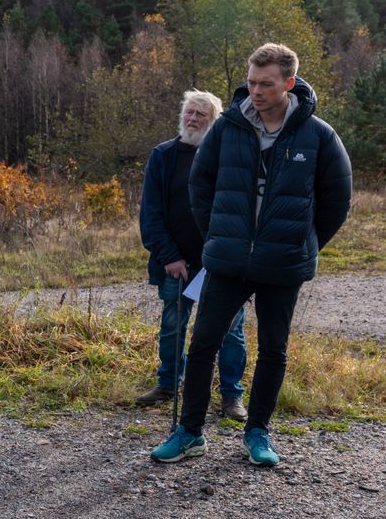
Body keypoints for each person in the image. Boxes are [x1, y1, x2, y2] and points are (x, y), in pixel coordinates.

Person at [150, 43, 352, 467]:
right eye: (251, 82)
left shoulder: (318, 135)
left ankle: (257, 433)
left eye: (266, 84)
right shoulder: (227, 128)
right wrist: (220, 236)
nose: (255, 91)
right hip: (227, 261)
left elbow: (337, 200)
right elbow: (199, 186)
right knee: (203, 343)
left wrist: (302, 242)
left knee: (274, 349)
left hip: (282, 264)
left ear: (289, 84)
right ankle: (189, 433)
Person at [136, 90, 248, 421]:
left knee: (231, 331)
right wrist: (169, 256)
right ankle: (169, 385)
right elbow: (151, 213)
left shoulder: (228, 156)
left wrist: (233, 257)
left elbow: (242, 212)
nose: (192, 118)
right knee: (174, 325)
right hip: (177, 264)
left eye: (201, 114)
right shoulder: (164, 155)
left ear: (214, 122)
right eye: (189, 112)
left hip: (223, 265)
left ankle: (231, 396)